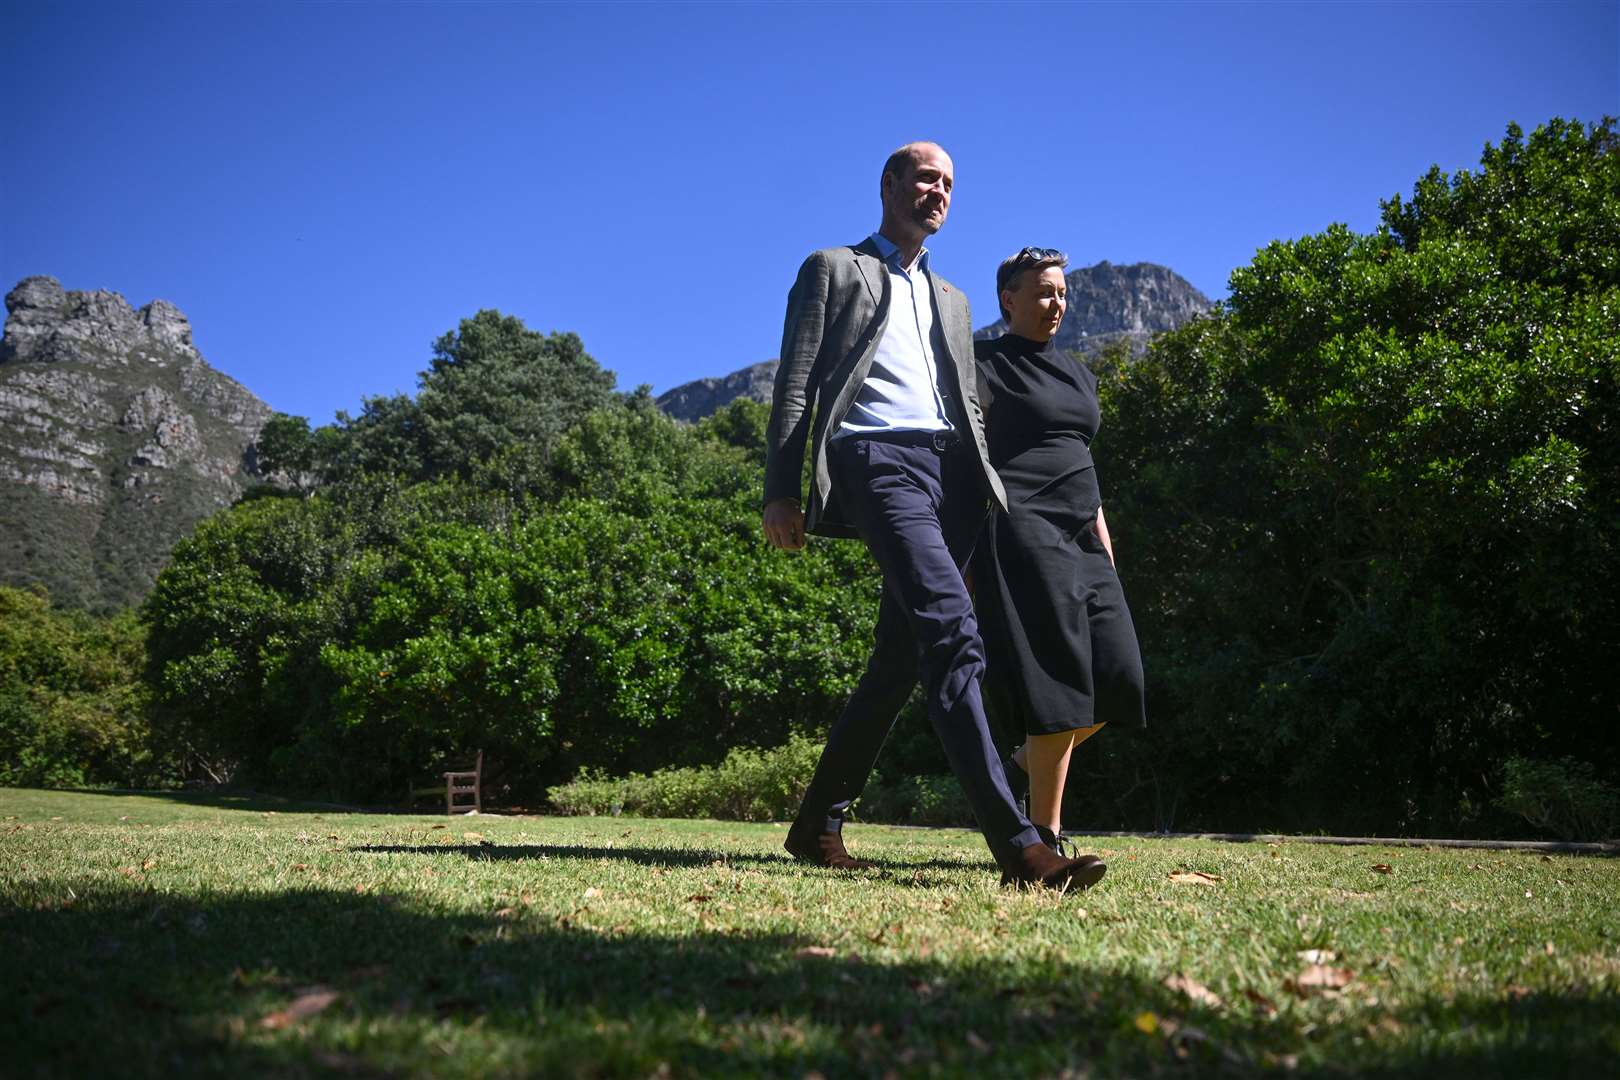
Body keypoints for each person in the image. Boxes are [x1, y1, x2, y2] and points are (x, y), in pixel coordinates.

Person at [762, 143, 1106, 891]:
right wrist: (779, 491)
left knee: (896, 662)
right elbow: (795, 385)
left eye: (949, 183)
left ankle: (817, 820)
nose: (938, 192)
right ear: (889, 185)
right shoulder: (833, 268)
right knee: (953, 632)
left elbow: (972, 408)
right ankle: (1023, 850)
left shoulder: (954, 298)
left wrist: (992, 497)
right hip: (873, 460)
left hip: (950, 478)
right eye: (925, 178)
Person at [970, 247, 1148, 851]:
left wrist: (1103, 537)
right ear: (1008, 299)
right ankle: (1044, 840)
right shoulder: (982, 362)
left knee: (1118, 678)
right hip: (1023, 528)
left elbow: (1080, 456)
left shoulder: (1079, 371)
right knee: (1060, 688)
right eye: (1044, 291)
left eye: (1062, 292)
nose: (1057, 303)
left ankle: (1025, 762)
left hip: (1083, 533)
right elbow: (961, 456)